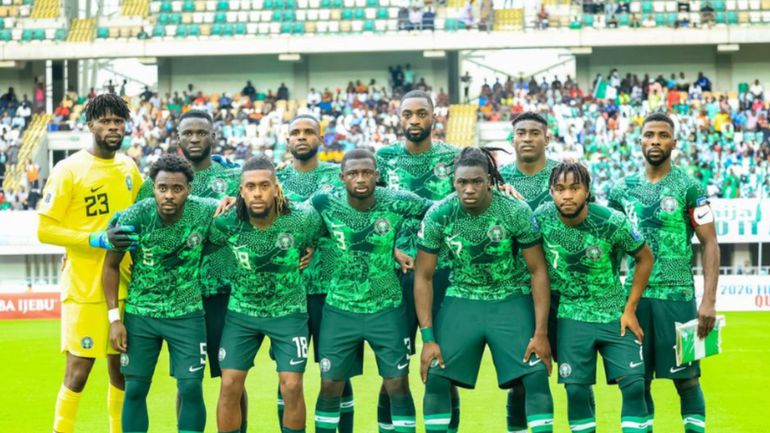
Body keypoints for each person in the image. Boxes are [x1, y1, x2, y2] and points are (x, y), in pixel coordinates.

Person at [417, 147, 554, 433]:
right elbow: (424, 276)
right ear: (453, 181)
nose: (469, 189)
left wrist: (540, 333)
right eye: (462, 182)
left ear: (489, 180)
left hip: (510, 296)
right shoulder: (439, 214)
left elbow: (538, 271)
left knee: (536, 374)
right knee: (436, 374)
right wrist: (428, 338)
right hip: (462, 298)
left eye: (476, 181)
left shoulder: (515, 210)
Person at [130, 109, 248, 431]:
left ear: (213, 137)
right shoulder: (152, 185)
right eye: (188, 133)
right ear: (178, 138)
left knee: (232, 378)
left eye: (201, 133)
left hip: (226, 291)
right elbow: (134, 231)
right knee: (187, 382)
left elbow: (269, 208)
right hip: (179, 299)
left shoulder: (237, 178)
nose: (194, 138)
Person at [37, 93, 142, 433]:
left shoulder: (128, 167)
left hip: (125, 284)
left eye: (118, 121)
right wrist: (95, 239)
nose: (113, 127)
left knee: (121, 370)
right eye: (105, 121)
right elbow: (45, 229)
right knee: (79, 371)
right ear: (90, 125)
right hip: (83, 286)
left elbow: (143, 210)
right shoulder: (68, 169)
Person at [608, 113, 719, 433]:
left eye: (662, 135)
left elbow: (710, 243)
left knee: (687, 381)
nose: (655, 141)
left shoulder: (690, 187)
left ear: (674, 142)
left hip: (678, 297)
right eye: (649, 135)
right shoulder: (621, 190)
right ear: (640, 141)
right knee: (636, 382)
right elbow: (612, 248)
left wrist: (708, 301)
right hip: (635, 301)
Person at [310, 149, 431, 433]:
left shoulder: (397, 201)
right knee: (330, 386)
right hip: (340, 309)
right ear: (342, 177)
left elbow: (437, 207)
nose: (360, 179)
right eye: (353, 173)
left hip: (386, 308)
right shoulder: (324, 202)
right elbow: (291, 216)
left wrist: (495, 187)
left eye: (367, 173)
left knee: (397, 385)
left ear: (377, 176)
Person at [535, 162, 654, 433]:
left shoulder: (611, 221)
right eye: (560, 189)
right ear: (551, 191)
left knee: (635, 385)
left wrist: (630, 307)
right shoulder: (540, 218)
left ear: (587, 190)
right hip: (571, 315)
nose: (567, 196)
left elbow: (645, 257)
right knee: (576, 391)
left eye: (574, 188)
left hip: (614, 314)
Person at [103, 154, 217, 433]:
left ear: (188, 189)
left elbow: (244, 211)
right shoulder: (136, 215)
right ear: (153, 187)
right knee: (134, 391)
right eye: (162, 188)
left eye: (177, 189)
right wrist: (115, 319)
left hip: (187, 315)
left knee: (190, 389)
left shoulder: (205, 211)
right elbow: (110, 266)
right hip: (142, 316)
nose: (169, 195)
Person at [215, 156, 324, 433]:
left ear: (276, 188)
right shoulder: (225, 222)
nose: (257, 192)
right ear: (241, 191)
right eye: (250, 186)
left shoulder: (303, 218)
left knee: (292, 385)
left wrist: (310, 248)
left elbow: (327, 233)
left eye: (264, 185)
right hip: (242, 313)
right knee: (229, 385)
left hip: (288, 312)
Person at [375, 90, 461, 433]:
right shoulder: (383, 159)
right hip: (394, 276)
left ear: (433, 116)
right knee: (392, 370)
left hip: (444, 274)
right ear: (399, 118)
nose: (414, 120)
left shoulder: (454, 157)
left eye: (421, 113)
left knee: (444, 366)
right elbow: (368, 209)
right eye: (407, 114)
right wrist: (389, 250)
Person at [276, 115, 354, 432]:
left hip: (332, 289)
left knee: (336, 374)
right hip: (287, 293)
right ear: (287, 140)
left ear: (321, 139)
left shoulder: (338, 180)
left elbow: (353, 221)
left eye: (309, 132)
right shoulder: (274, 179)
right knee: (287, 376)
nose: (302, 137)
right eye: (295, 132)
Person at [499, 112, 563, 433]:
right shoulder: (498, 179)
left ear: (546, 139)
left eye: (534, 132)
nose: (527, 138)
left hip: (566, 290)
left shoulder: (565, 176)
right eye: (520, 132)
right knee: (522, 377)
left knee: (575, 377)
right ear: (512, 140)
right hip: (519, 292)